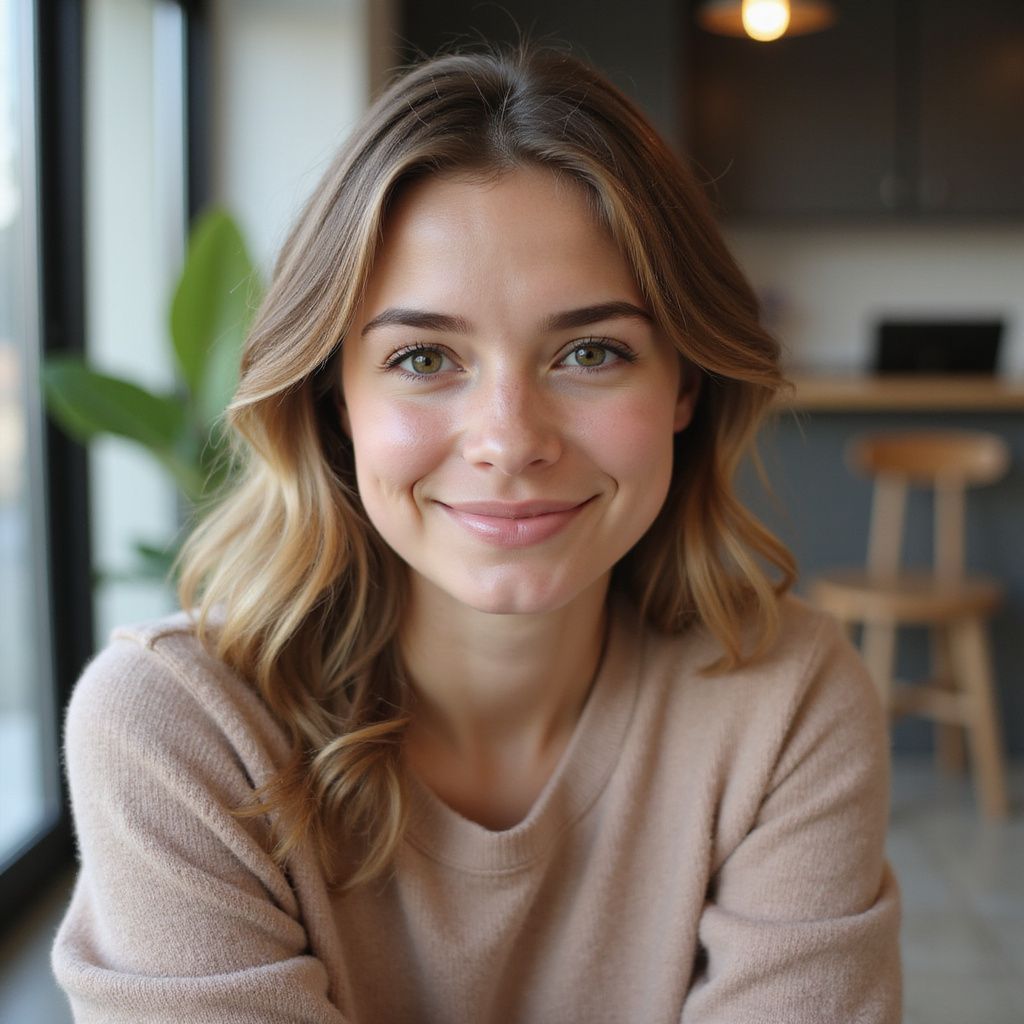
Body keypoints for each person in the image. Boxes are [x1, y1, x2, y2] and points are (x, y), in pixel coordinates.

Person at [52, 44, 901, 1023]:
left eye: (590, 351)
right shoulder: (181, 731)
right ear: (336, 400)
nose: (509, 441)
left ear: (684, 384)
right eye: (423, 357)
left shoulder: (788, 701)